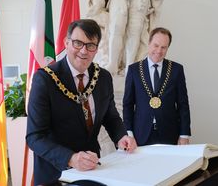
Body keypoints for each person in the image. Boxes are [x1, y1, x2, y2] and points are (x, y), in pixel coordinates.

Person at [26, 19, 137, 185]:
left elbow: (110, 116)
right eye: (78, 43)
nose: (84, 51)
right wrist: (71, 158)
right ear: (67, 43)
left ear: (96, 49)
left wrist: (121, 136)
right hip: (55, 175)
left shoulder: (103, 77)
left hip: (92, 172)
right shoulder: (45, 79)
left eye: (90, 45)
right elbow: (35, 137)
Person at [123, 27, 191, 146]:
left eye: (163, 47)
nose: (159, 51)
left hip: (170, 134)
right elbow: (128, 104)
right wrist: (129, 134)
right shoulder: (134, 70)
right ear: (149, 44)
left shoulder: (176, 69)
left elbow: (183, 104)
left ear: (167, 48)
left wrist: (184, 134)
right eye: (156, 45)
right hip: (140, 134)